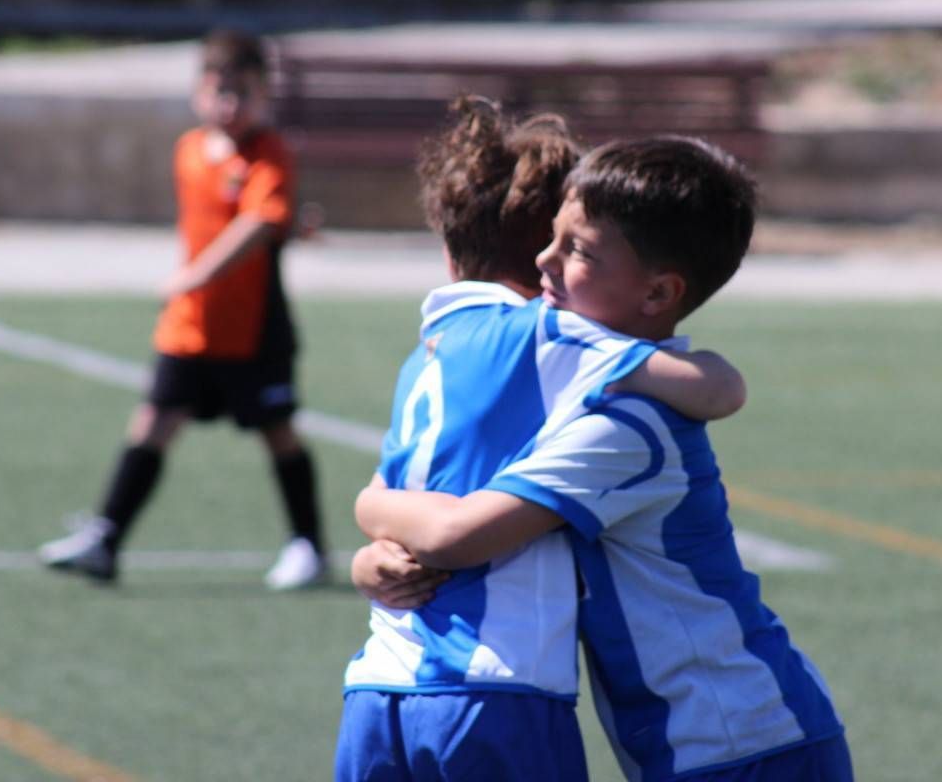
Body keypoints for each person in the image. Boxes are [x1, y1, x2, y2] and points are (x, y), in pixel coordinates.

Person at [355, 137, 852, 781]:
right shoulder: (585, 387)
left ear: (657, 294)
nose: (544, 260)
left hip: (747, 744)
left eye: (578, 250)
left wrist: (373, 507)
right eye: (553, 236)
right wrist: (375, 559)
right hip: (704, 747)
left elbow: (459, 535)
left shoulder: (624, 427)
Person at [38, 30, 326, 590]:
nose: (230, 104)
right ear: (198, 91)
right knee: (153, 421)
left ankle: (308, 546)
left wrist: (199, 273)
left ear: (264, 93)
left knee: (278, 430)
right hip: (192, 327)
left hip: (253, 328)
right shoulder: (190, 150)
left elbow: (258, 222)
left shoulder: (268, 152)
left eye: (243, 92)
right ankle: (106, 539)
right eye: (220, 90)